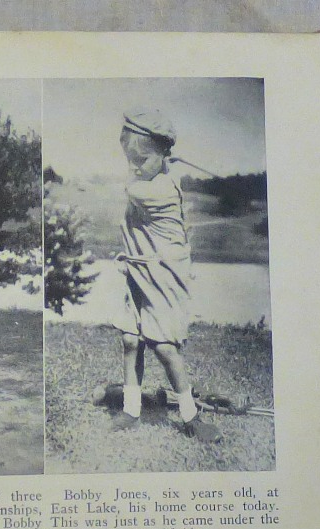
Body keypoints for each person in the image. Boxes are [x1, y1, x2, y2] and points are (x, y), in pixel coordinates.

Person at [111, 108, 220, 442]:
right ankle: (131, 409)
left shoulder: (154, 190)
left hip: (162, 277)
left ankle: (190, 417)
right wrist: (160, 159)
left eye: (141, 159)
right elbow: (143, 172)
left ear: (162, 154)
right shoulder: (157, 175)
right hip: (139, 271)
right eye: (129, 158)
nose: (134, 166)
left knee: (164, 348)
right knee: (131, 340)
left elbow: (130, 188)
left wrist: (157, 164)